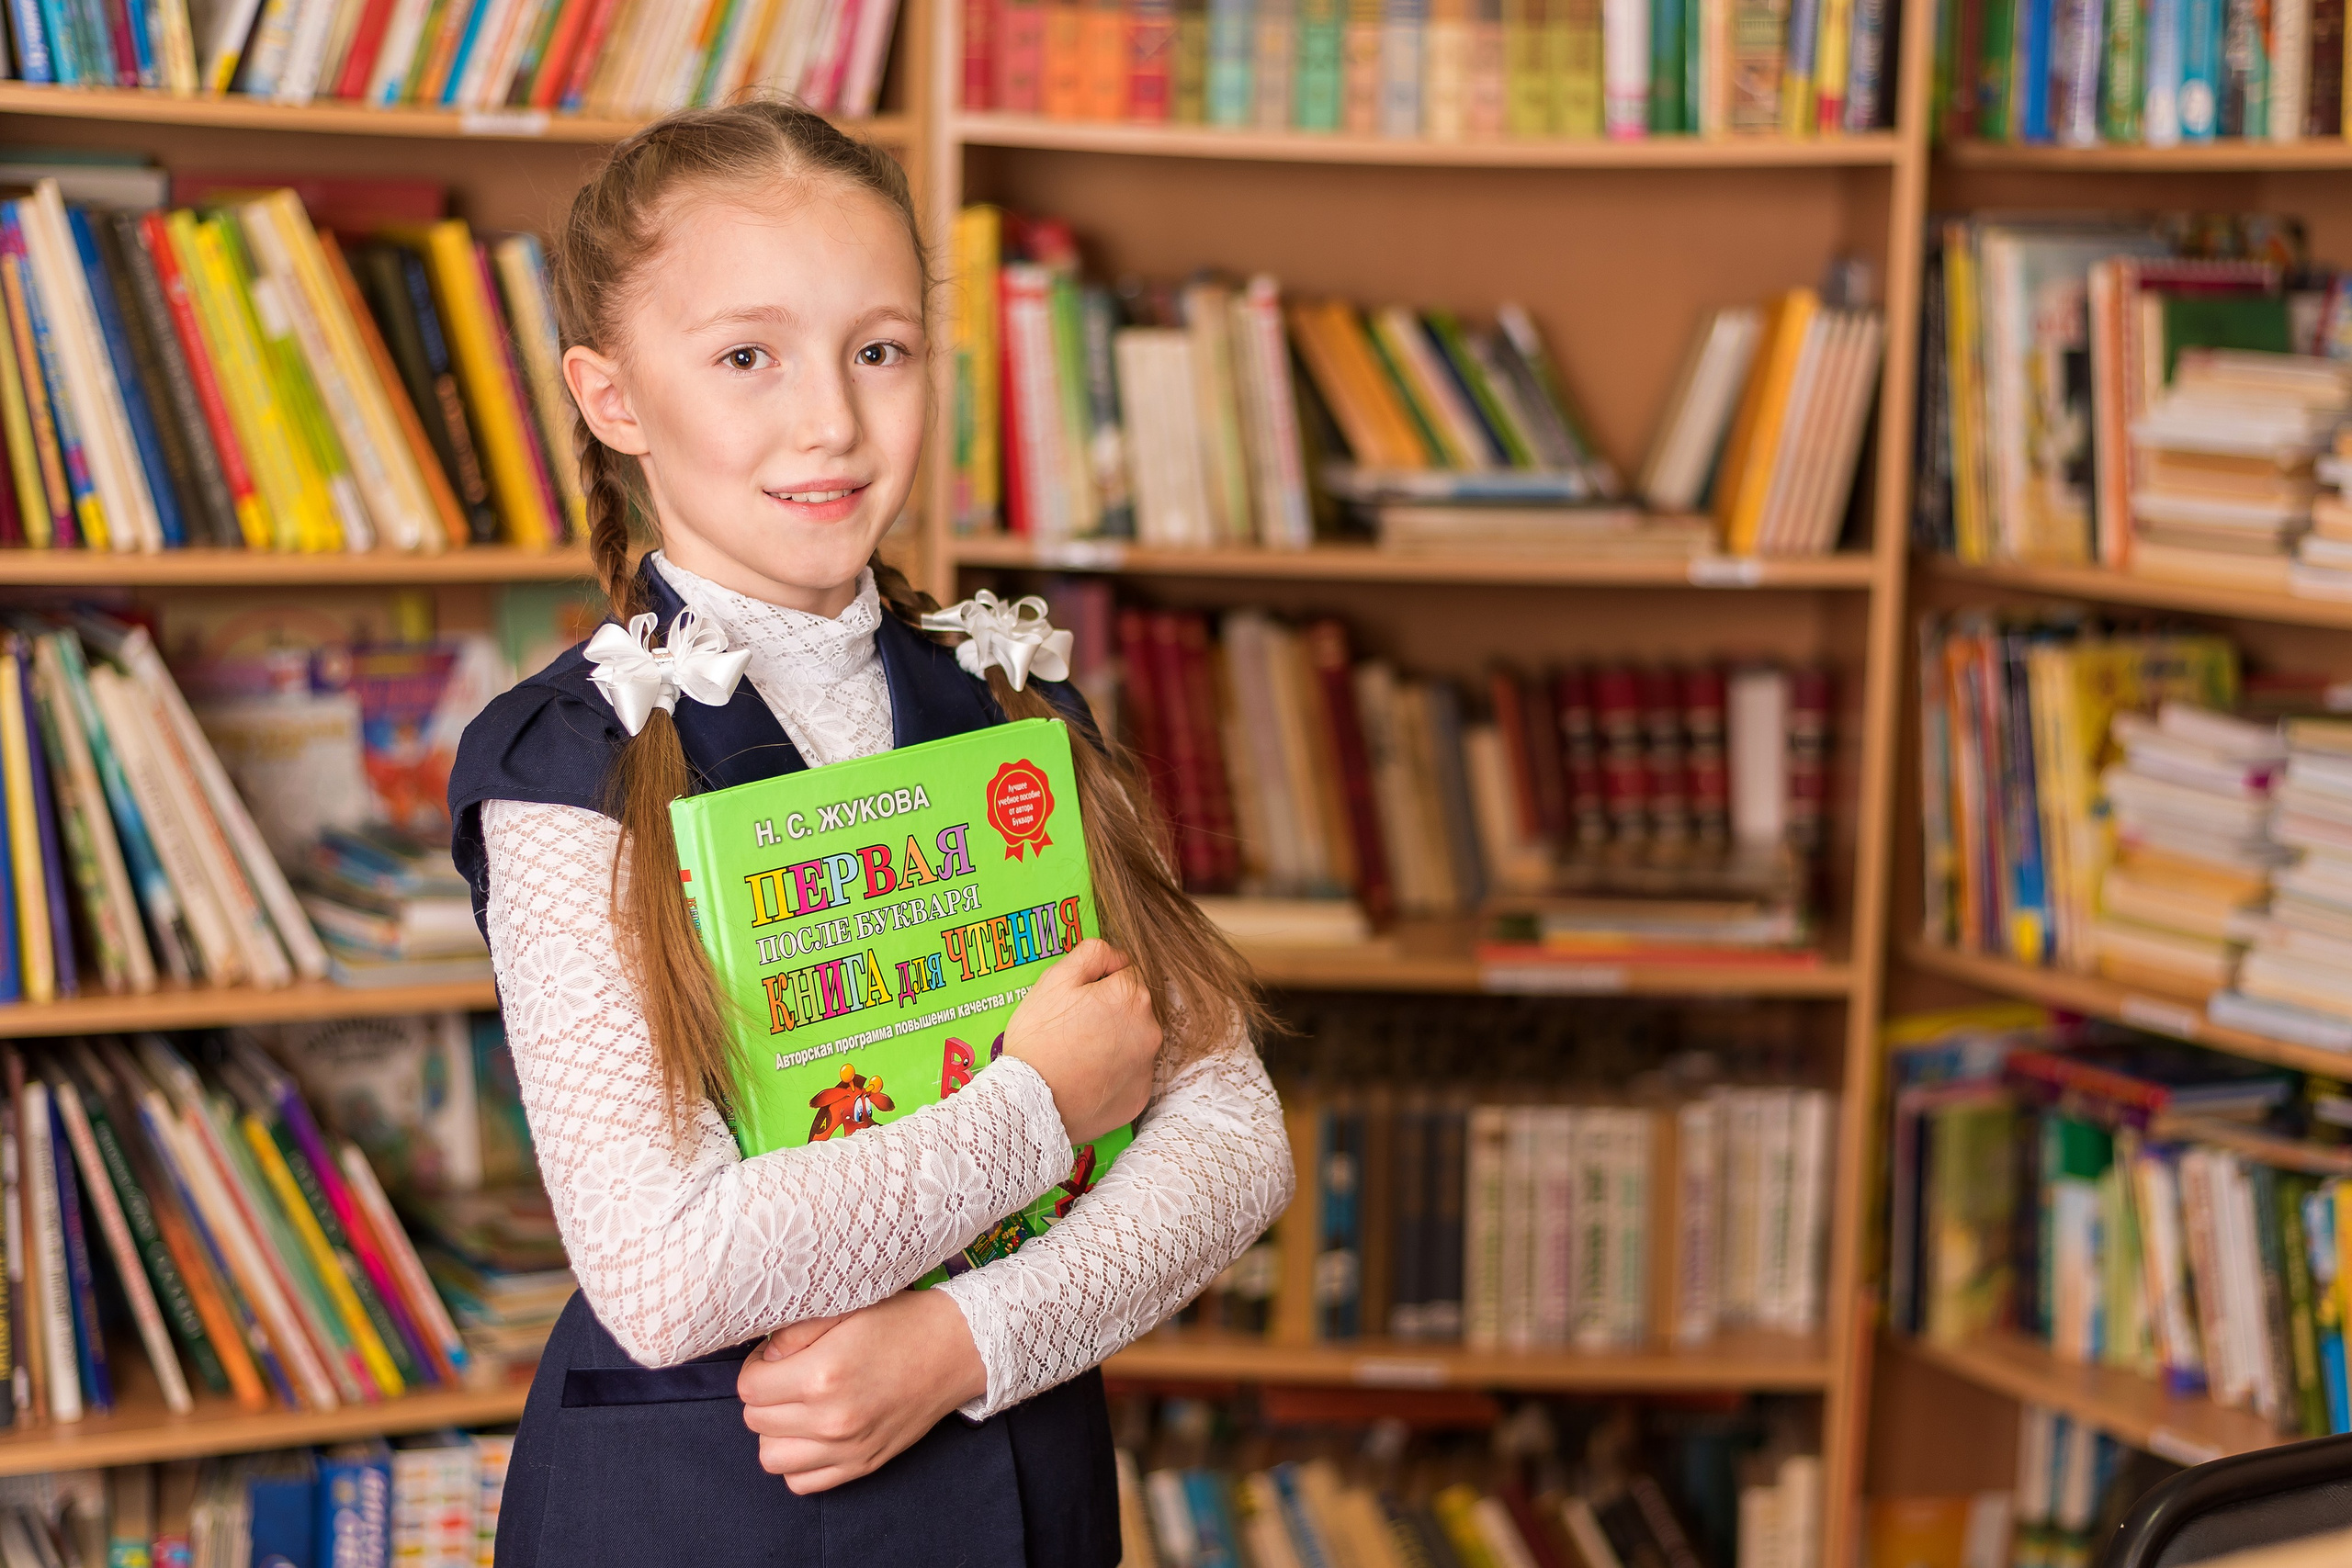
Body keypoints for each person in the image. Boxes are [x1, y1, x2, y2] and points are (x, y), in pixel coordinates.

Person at [447, 98, 1294, 1567]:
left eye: (879, 349)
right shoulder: (564, 764)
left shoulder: (1016, 706)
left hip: (1016, 1466)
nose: (831, 419)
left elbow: (1234, 1142)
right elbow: (662, 1271)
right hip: (711, 1504)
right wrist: (1039, 1107)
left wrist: (965, 1343)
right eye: (746, 357)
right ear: (613, 396)